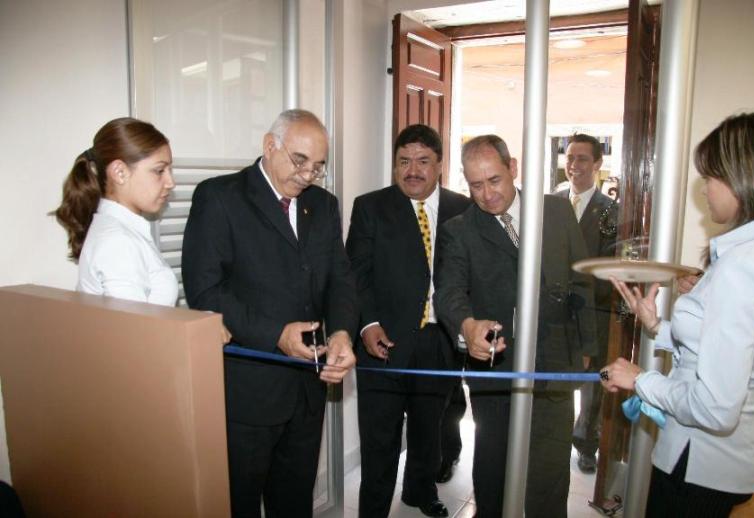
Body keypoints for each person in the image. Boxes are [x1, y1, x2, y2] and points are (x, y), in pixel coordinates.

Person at [181, 109, 358, 518]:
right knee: (238, 503)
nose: (307, 175)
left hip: (308, 390)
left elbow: (342, 280)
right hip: (248, 394)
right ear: (269, 145)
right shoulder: (220, 197)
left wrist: (344, 333)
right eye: (299, 161)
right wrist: (276, 333)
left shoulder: (324, 205)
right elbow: (205, 291)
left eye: (318, 167)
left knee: (294, 502)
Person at [601, 112, 754, 517]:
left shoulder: (743, 267)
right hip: (732, 458)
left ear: (743, 178)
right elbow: (728, 349)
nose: (705, 191)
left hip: (703, 463)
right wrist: (657, 326)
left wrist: (640, 380)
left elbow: (715, 407)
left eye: (710, 178)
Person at [434, 134, 596, 518]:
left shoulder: (555, 212)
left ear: (513, 169)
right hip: (495, 369)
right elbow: (449, 291)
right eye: (475, 185)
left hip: (554, 361)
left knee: (549, 470)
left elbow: (581, 281)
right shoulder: (460, 230)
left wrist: (587, 347)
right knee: (493, 467)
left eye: (494, 181)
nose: (487, 194)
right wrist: (468, 325)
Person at [346, 124, 471, 518]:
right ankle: (374, 510)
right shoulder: (370, 207)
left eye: (422, 161)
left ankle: (419, 492)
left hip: (439, 342)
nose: (412, 170)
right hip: (382, 343)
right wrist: (366, 324)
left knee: (427, 431)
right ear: (394, 165)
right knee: (379, 439)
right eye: (403, 161)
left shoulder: (462, 208)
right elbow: (356, 275)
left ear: (439, 165)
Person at [54, 117, 178, 306]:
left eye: (170, 170)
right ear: (120, 172)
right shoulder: (118, 242)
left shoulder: (120, 230)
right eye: (159, 171)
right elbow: (134, 331)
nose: (171, 183)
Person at [555, 133, 619, 473]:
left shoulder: (611, 211)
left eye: (582, 159)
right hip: (554, 311)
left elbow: (609, 266)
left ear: (597, 164)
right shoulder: (551, 203)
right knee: (555, 376)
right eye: (569, 158)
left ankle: (586, 443)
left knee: (592, 382)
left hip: (593, 311)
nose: (574, 165)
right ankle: (553, 435)